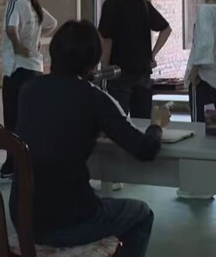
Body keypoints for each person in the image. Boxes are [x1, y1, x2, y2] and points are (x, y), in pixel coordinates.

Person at [10, 20, 164, 257]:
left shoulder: (29, 90)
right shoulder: (94, 98)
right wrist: (156, 124)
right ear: (92, 63)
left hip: (24, 218)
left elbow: (54, 124)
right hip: (70, 221)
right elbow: (145, 149)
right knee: (141, 214)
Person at [0, 0, 57, 180]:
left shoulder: (14, 3)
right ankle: (29, 163)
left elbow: (10, 29)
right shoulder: (32, 3)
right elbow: (51, 23)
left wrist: (18, 46)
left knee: (12, 121)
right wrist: (37, 40)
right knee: (30, 120)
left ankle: (13, 165)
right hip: (35, 71)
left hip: (17, 70)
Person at [99, 0, 172, 119]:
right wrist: (152, 54)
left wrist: (104, 66)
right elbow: (166, 29)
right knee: (142, 121)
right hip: (142, 72)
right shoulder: (143, 4)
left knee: (118, 121)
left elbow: (107, 39)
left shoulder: (110, 5)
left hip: (119, 73)